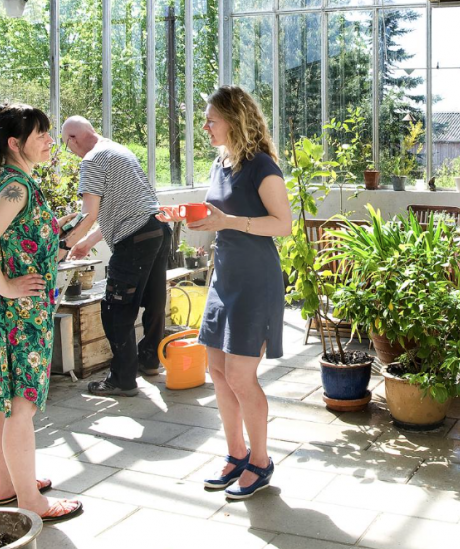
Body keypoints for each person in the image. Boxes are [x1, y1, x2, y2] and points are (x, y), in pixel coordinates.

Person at [158, 85, 291, 500]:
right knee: (216, 372)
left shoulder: (261, 166)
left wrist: (228, 222)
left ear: (234, 120)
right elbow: (220, 215)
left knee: (240, 376)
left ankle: (262, 460)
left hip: (255, 280)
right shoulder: (222, 164)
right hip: (224, 278)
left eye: (211, 119)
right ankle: (236, 454)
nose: (205, 126)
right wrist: (191, 219)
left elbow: (282, 224)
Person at [0, 103, 83, 522]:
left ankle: (7, 485)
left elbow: (15, 241)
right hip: (22, 311)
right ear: (15, 143)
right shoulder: (17, 188)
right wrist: (8, 286)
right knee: (22, 403)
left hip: (7, 309)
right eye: (41, 135)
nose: (50, 141)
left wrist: (62, 238)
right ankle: (29, 501)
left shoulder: (8, 180)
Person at [60, 116, 171, 397]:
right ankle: (149, 360)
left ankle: (122, 379)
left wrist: (62, 245)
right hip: (157, 229)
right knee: (155, 301)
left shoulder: (92, 160)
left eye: (66, 144)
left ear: (73, 139)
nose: (69, 151)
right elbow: (124, 209)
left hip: (135, 239)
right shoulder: (118, 150)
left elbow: (88, 213)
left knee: (115, 308)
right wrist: (85, 243)